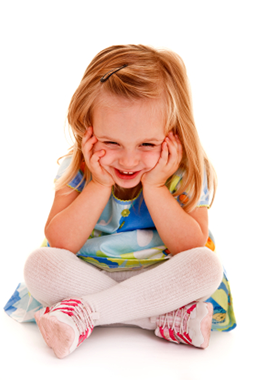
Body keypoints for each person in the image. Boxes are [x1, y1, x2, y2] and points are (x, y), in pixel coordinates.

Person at [21, 44, 236, 359]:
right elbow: (60, 242)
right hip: (89, 274)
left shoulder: (186, 171)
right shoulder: (78, 168)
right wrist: (99, 183)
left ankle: (86, 312)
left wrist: (156, 186)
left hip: (161, 277)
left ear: (173, 133)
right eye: (111, 142)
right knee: (38, 266)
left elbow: (191, 245)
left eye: (147, 143)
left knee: (206, 266)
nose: (129, 160)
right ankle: (161, 318)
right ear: (87, 130)